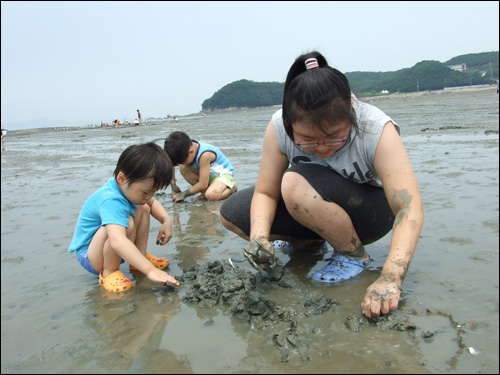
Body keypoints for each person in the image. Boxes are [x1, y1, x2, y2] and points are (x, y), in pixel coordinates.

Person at [219, 51, 423, 319]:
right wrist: (259, 239)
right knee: (233, 214)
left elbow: (408, 207)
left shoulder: (374, 127)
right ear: (289, 124)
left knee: (293, 181)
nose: (322, 147)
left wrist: (391, 277)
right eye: (307, 139)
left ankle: (353, 255)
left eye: (334, 136)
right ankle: (309, 242)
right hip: (312, 205)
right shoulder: (278, 127)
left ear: (350, 111)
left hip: (370, 213)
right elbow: (266, 192)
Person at [68, 142, 180, 292]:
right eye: (145, 192)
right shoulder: (111, 199)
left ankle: (139, 258)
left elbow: (152, 203)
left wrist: (166, 220)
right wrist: (150, 271)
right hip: (91, 256)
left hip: (110, 247)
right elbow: (117, 240)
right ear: (122, 178)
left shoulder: (129, 188)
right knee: (126, 221)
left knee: (143, 207)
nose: (149, 196)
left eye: (153, 192)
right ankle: (110, 272)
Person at [163, 131, 237, 202]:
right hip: (207, 175)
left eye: (182, 161)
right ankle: (205, 191)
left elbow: (203, 184)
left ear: (191, 151)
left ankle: (232, 187)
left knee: (211, 195)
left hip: (222, 175)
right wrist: (173, 186)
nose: (182, 163)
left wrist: (184, 194)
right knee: (183, 168)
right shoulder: (185, 147)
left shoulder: (204, 155)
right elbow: (171, 164)